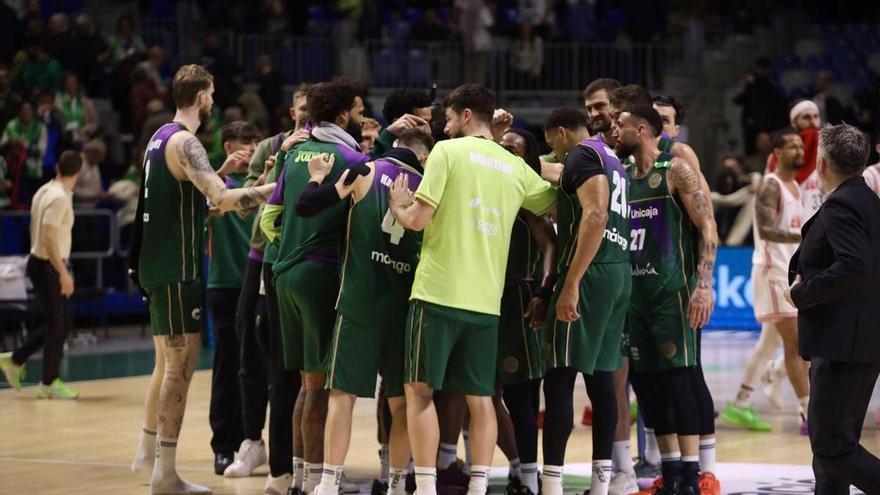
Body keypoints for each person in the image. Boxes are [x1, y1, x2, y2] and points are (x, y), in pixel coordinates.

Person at [388, 83, 557, 495]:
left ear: (466, 116)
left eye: (448, 118)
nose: (444, 128)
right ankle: (480, 486)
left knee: (420, 393)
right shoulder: (515, 166)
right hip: (486, 304)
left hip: (436, 294)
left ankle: (426, 487)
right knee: (481, 397)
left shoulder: (446, 153)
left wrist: (397, 203)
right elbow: (552, 202)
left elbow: (417, 220)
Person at [127, 64, 275, 495]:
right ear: (203, 96)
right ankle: (164, 473)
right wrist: (278, 186)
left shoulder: (158, 137)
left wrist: (223, 169)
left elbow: (195, 202)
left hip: (159, 267)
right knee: (180, 369)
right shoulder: (187, 142)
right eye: (211, 94)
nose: (213, 101)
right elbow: (223, 199)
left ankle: (153, 456)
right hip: (177, 269)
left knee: (166, 367)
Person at [295, 129, 435, 495]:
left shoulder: (366, 172)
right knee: (402, 404)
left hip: (358, 303)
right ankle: (396, 484)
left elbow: (306, 205)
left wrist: (315, 176)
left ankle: (328, 481)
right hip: (404, 310)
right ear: (422, 158)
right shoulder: (430, 191)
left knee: (342, 396)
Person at [260, 76, 370, 495]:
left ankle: (300, 481)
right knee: (321, 388)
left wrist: (291, 249)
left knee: (305, 386)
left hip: (283, 274)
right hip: (319, 273)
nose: (361, 118)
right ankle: (323, 481)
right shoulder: (348, 156)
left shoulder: (292, 153)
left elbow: (270, 219)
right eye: (358, 112)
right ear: (343, 114)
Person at [618, 105, 718, 495]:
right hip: (634, 297)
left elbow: (707, 225)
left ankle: (692, 475)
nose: (614, 130)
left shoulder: (675, 170)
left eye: (620, 125)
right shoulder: (623, 178)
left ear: (641, 129)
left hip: (672, 294)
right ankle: (672, 471)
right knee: (647, 387)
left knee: (679, 381)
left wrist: (703, 283)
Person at [537, 107, 630, 495]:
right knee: (602, 382)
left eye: (552, 147)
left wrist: (571, 281)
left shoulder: (580, 154)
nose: (555, 156)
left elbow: (595, 215)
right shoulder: (611, 159)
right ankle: (601, 483)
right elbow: (563, 180)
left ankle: (552, 485)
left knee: (558, 377)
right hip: (618, 271)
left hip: (591, 273)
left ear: (562, 133)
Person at [785, 123, 880, 495]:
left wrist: (803, 293)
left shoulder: (843, 203)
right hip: (855, 339)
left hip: (843, 343)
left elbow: (853, 265)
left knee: (830, 445)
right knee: (831, 451)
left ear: (821, 163)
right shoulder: (867, 200)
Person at [722, 129, 809, 433]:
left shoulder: (796, 187)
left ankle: (740, 403)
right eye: (792, 146)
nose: (799, 150)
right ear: (777, 153)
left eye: (800, 145)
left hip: (790, 273)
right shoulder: (771, 186)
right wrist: (806, 237)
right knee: (798, 344)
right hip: (772, 271)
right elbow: (766, 228)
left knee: (768, 344)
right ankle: (808, 413)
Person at [497, 127, 557, 495]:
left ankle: (529, 479)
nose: (505, 154)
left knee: (521, 395)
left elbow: (550, 243)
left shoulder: (527, 195)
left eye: (513, 149)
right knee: (478, 394)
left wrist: (542, 290)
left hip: (517, 299)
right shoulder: (488, 186)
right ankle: (497, 468)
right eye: (501, 148)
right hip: (477, 298)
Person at [0, 150, 82, 398]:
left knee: (60, 323)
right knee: (59, 326)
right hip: (48, 265)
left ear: (57, 167)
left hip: (39, 263)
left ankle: (14, 359)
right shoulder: (58, 198)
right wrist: (62, 273)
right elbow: (48, 236)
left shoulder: (44, 190)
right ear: (77, 173)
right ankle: (48, 383)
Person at [205, 121, 262, 475]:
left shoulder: (263, 182)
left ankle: (251, 440)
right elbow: (200, 204)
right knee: (227, 367)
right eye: (244, 145)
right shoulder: (217, 184)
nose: (251, 150)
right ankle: (223, 444)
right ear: (228, 147)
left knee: (256, 369)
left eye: (255, 144)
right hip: (226, 284)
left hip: (259, 285)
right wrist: (221, 171)